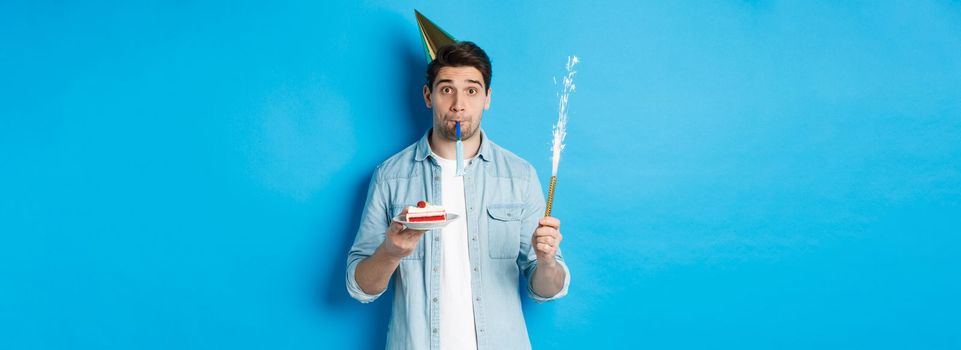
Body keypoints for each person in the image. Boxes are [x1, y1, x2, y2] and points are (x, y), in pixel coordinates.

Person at [346, 41, 570, 350]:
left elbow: (546, 290)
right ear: (429, 96)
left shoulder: (519, 176)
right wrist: (391, 252)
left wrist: (545, 261)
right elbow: (360, 288)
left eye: (472, 90)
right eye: (447, 89)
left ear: (487, 98)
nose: (459, 105)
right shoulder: (391, 176)